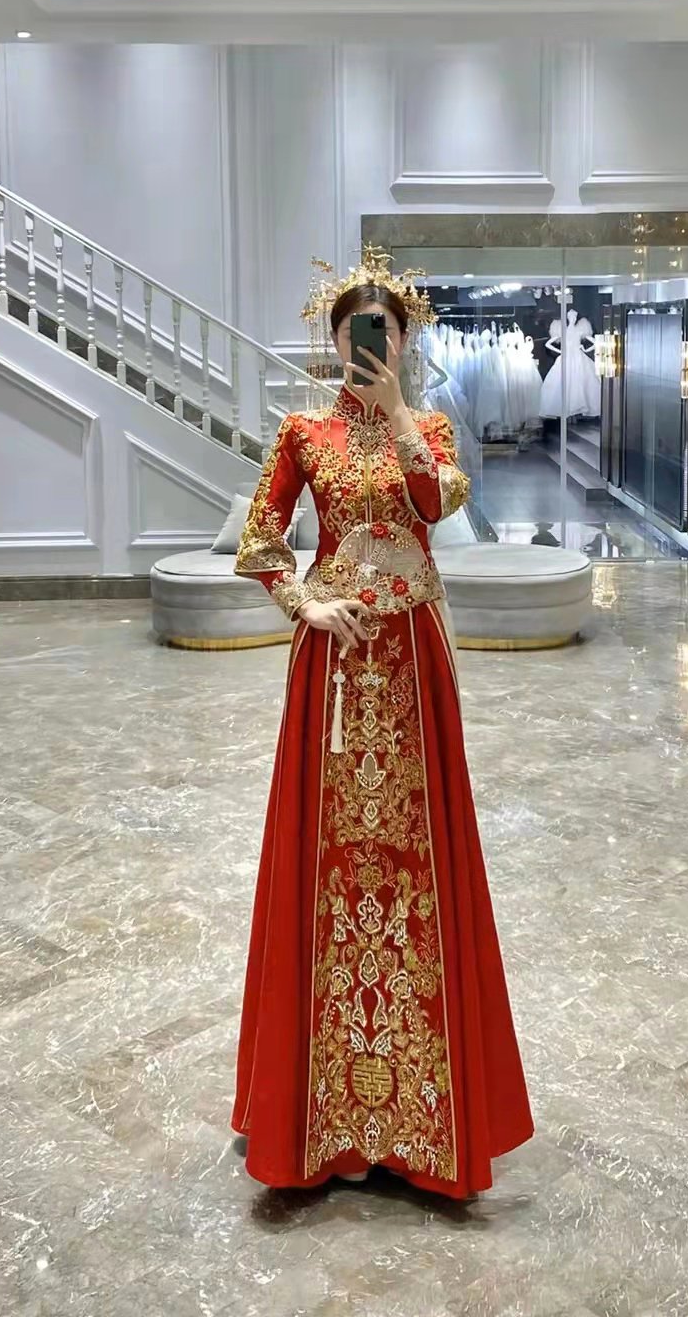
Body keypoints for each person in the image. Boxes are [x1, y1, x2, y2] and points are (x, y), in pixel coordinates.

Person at [230, 250, 534, 1200]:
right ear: (333, 342)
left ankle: (421, 1127)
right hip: (334, 666)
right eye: (355, 332)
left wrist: (399, 413)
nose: (370, 345)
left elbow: (439, 505)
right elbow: (260, 538)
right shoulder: (303, 434)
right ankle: (317, 1122)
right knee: (323, 863)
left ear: (404, 340)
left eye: (386, 332)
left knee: (421, 864)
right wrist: (304, 605)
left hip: (410, 665)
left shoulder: (428, 429)